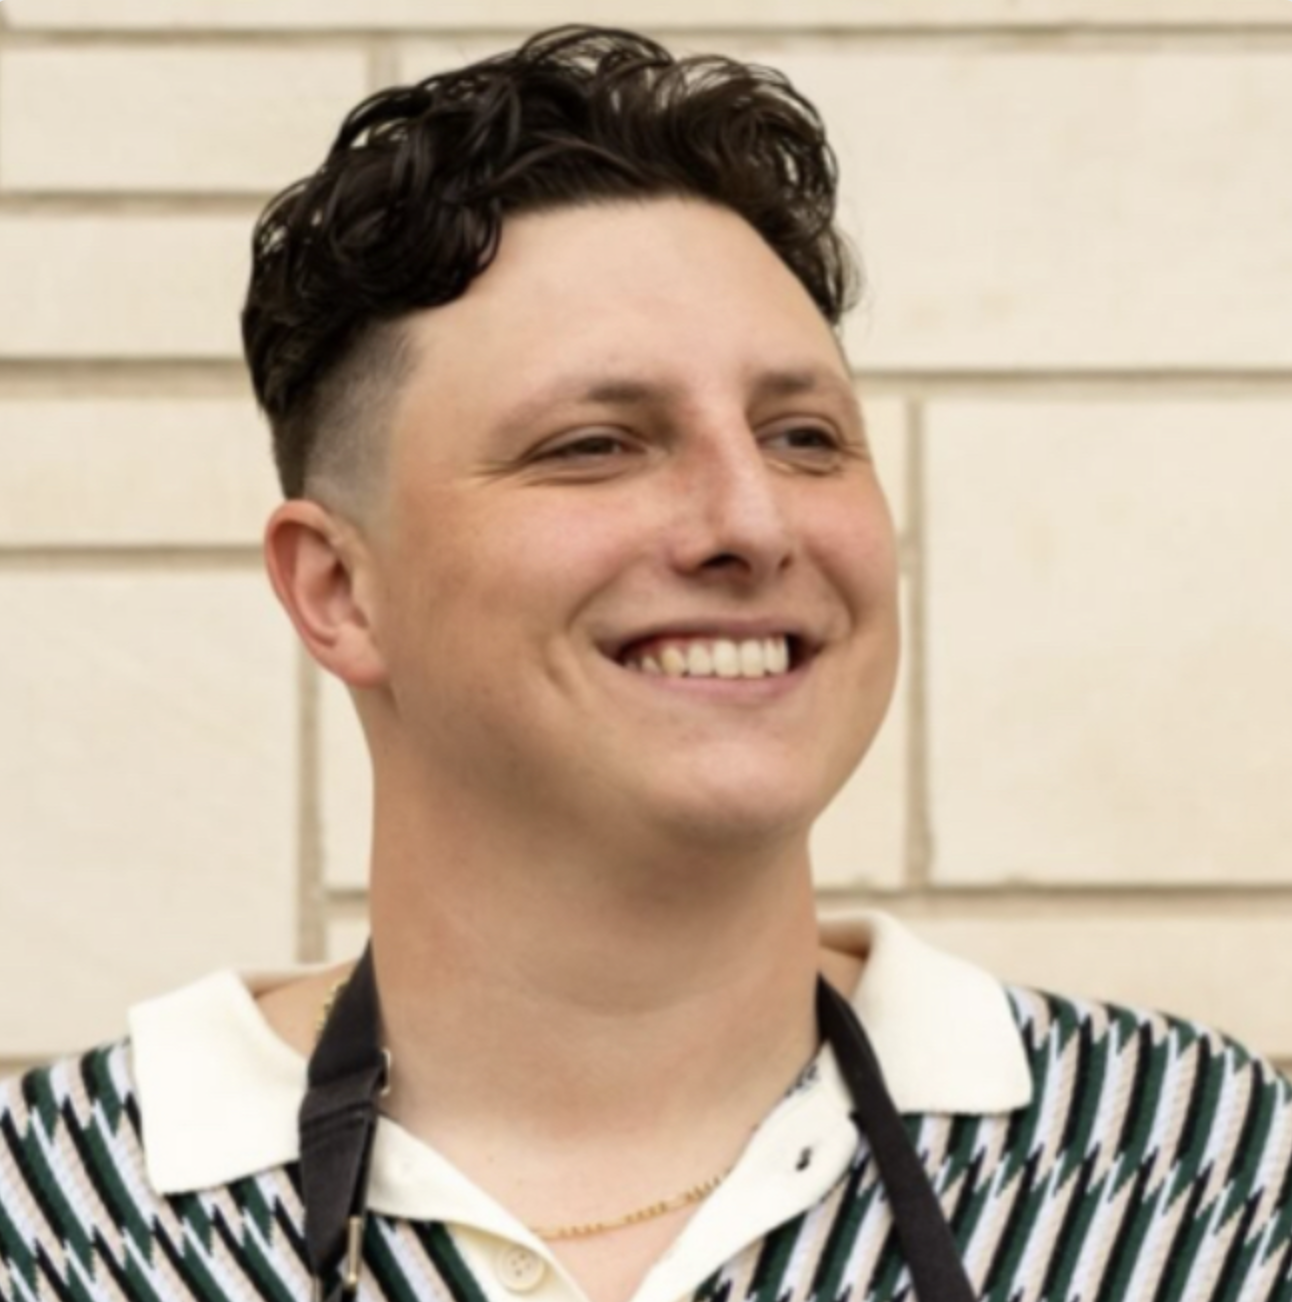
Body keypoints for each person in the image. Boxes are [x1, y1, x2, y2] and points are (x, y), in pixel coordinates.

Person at [2, 24, 1289, 1302]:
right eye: (594, 445)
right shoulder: (53, 1229)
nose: (750, 521)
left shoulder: (1199, 1179)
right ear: (339, 590)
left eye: (800, 437)